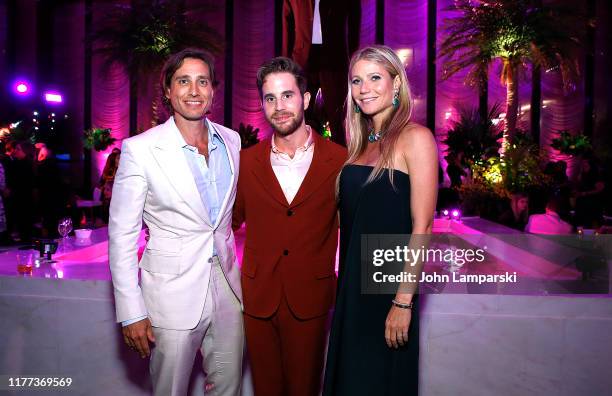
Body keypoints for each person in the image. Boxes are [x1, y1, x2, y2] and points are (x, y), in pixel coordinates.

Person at [109, 48, 244, 396]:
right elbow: (122, 236)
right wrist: (130, 311)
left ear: (213, 91)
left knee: (228, 387)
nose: (194, 90)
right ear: (168, 91)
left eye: (202, 81)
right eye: (183, 81)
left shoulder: (232, 141)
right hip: (171, 295)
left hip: (228, 289)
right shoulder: (141, 149)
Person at [322, 45, 438, 396]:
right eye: (357, 80)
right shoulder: (358, 147)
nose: (364, 88)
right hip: (352, 288)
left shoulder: (415, 138)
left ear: (396, 84)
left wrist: (403, 301)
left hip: (388, 289)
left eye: (375, 78)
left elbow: (423, 227)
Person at [232, 57, 346, 396]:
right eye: (270, 98)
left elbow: (355, 225)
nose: (279, 107)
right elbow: (226, 221)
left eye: (287, 96)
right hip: (258, 297)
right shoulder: (245, 161)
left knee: (305, 388)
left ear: (306, 99)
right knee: (265, 388)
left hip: (310, 296)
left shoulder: (340, 159)